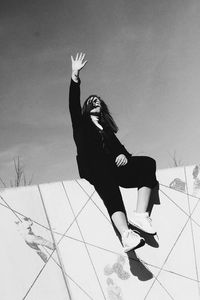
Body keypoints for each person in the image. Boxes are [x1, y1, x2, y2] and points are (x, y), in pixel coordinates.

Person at [69, 53, 158, 252]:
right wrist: (75, 76)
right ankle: (126, 235)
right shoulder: (81, 124)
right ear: (86, 107)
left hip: (115, 166)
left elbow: (120, 149)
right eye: (91, 100)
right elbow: (73, 104)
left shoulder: (106, 128)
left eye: (98, 100)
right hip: (95, 168)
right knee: (111, 194)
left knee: (147, 163)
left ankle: (140, 215)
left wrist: (124, 156)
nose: (95, 101)